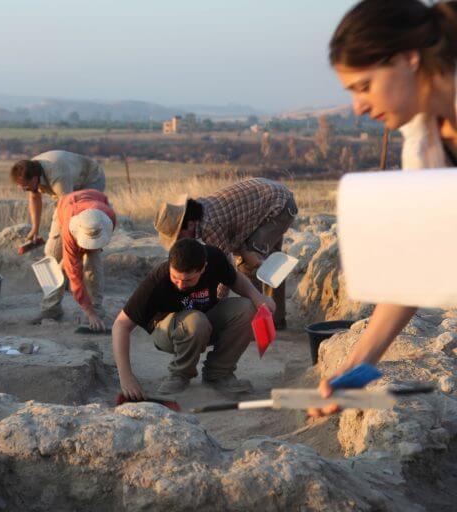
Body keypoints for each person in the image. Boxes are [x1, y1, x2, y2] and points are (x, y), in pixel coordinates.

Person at [309, 0, 457, 417]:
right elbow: (416, 266)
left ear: (408, 59)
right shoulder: (424, 144)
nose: (357, 107)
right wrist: (357, 368)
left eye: (364, 85)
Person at [112, 238, 276, 397]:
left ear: (203, 268)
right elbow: (120, 325)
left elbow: (234, 278)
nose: (181, 285)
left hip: (204, 321)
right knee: (196, 321)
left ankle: (218, 374)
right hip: (167, 331)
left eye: (188, 280)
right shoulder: (157, 280)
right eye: (175, 278)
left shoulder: (213, 258)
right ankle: (180, 375)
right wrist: (126, 377)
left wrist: (258, 298)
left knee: (248, 309)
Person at [154, 178, 297, 329]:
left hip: (279, 206)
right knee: (270, 264)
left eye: (179, 236)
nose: (180, 241)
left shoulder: (209, 225)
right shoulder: (202, 210)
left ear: (189, 224)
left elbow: (225, 266)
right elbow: (237, 235)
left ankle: (258, 326)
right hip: (274, 200)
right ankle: (276, 321)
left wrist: (215, 304)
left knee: (247, 266)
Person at [10, 150, 106, 321]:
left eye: (26, 186)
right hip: (68, 194)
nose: (24, 189)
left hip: (90, 181)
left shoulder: (58, 176)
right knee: (52, 253)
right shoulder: (29, 170)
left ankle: (95, 309)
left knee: (91, 248)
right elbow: (34, 196)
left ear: (34, 178)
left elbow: (70, 214)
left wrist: (70, 255)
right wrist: (35, 229)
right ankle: (51, 308)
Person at [38, 189, 116, 330]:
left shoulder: (109, 217)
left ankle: (97, 309)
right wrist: (88, 311)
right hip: (65, 209)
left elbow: (101, 239)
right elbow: (75, 278)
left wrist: (92, 312)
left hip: (95, 207)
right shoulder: (69, 229)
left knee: (93, 265)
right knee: (53, 259)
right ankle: (51, 308)